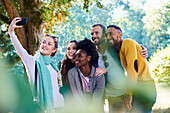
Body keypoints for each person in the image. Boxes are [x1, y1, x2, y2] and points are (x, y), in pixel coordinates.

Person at [8, 17, 64, 111]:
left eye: (49, 44)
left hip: (59, 106)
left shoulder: (54, 66)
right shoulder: (32, 62)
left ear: (54, 50)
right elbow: (20, 51)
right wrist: (11, 32)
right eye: (44, 42)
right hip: (42, 108)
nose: (45, 45)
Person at [90, 23, 148, 113]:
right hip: (112, 97)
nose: (94, 36)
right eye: (92, 34)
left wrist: (143, 49)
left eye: (97, 33)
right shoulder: (92, 53)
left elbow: (129, 45)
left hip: (125, 92)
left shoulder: (112, 47)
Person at [106, 25, 156, 113]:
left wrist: (129, 94)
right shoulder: (117, 51)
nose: (108, 37)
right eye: (106, 35)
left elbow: (132, 70)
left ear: (120, 34)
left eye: (110, 34)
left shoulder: (127, 43)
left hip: (144, 86)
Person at [68, 38, 105, 111]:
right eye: (75, 56)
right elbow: (76, 96)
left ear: (88, 58)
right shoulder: (72, 73)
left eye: (80, 56)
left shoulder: (99, 75)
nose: (76, 59)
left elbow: (97, 100)